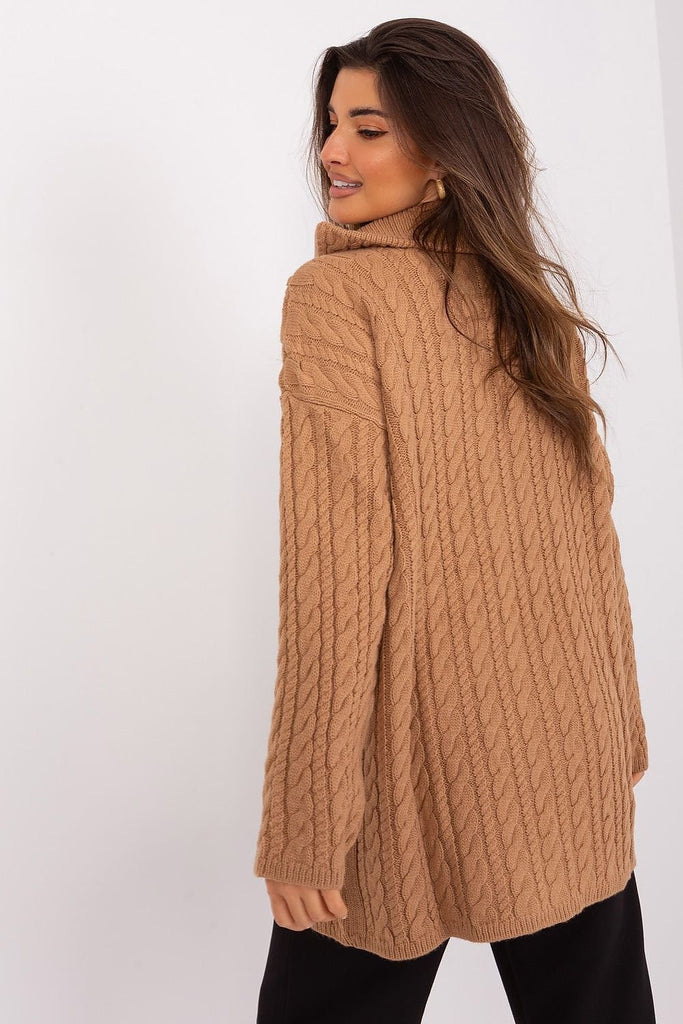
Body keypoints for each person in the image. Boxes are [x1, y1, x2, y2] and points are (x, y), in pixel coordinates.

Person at [251, 17, 656, 1024]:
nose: (331, 151)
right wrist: (620, 733)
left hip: (412, 764)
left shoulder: (334, 297)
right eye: (331, 123)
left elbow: (335, 576)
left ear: (441, 152)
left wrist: (305, 816)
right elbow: (592, 543)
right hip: (568, 752)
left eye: (369, 129)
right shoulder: (526, 296)